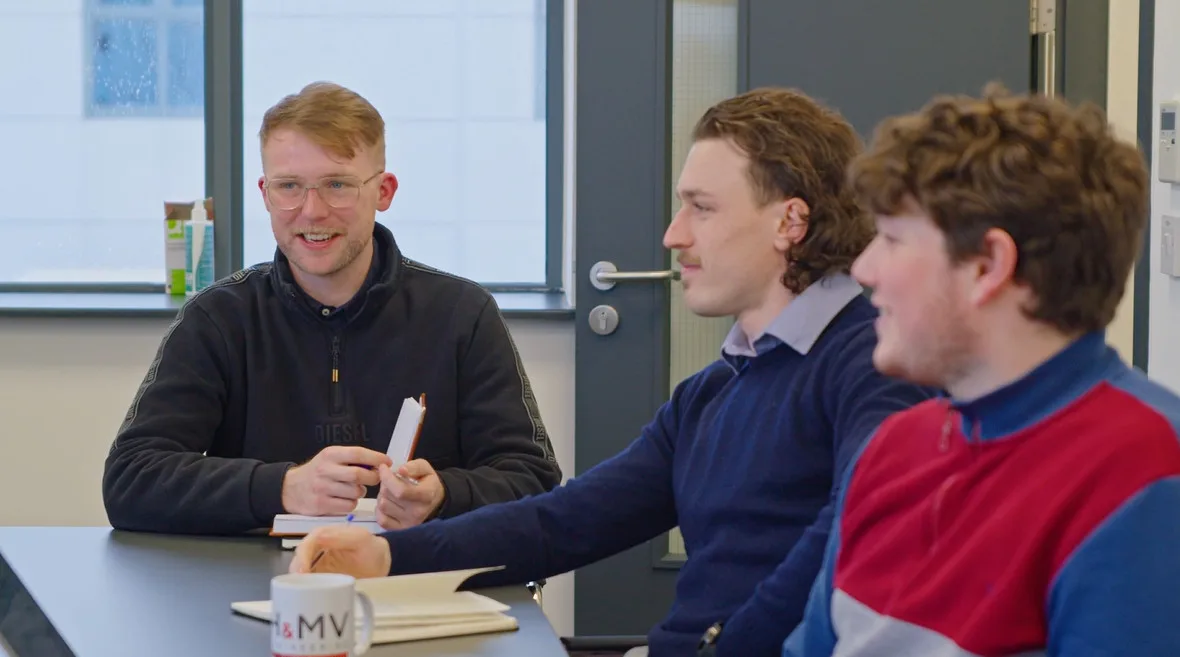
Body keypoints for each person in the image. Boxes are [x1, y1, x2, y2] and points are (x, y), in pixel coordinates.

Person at [287, 87, 937, 657]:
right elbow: (568, 520)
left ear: (788, 221)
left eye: (701, 208)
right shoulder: (716, 390)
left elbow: (857, 522)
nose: (673, 235)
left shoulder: (873, 363)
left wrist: (722, 647)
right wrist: (392, 555)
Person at [781, 85, 1180, 657]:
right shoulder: (895, 447)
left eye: (892, 239)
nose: (865, 268)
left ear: (988, 266)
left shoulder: (1145, 474)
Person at [102, 82, 562, 535]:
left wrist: (444, 495)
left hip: (418, 582)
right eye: (289, 186)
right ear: (265, 194)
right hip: (255, 588)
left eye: (337, 184)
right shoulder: (219, 319)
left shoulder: (462, 314)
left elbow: (533, 479)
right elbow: (131, 480)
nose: (312, 211)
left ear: (383, 192)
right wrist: (282, 487)